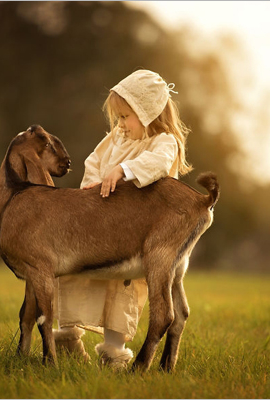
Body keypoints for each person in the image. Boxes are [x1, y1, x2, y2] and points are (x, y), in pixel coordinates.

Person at [53, 69, 193, 368]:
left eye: (125, 116)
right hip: (101, 222)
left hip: (135, 233)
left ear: (147, 114)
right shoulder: (116, 137)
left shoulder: (163, 142)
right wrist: (90, 186)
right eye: (117, 118)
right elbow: (94, 160)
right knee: (74, 268)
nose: (120, 124)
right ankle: (68, 334)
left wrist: (123, 170)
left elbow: (158, 164)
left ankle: (114, 351)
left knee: (122, 286)